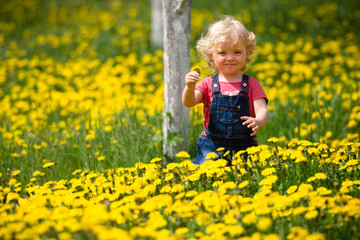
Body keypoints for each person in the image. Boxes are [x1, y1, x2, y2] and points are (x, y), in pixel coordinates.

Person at [182, 16, 269, 165]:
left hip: (245, 146)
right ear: (211, 55)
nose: (230, 58)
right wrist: (190, 87)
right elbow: (189, 102)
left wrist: (258, 121)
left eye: (237, 52)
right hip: (212, 146)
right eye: (222, 53)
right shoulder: (208, 83)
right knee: (209, 176)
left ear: (247, 52)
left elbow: (262, 109)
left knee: (246, 177)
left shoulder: (252, 84)